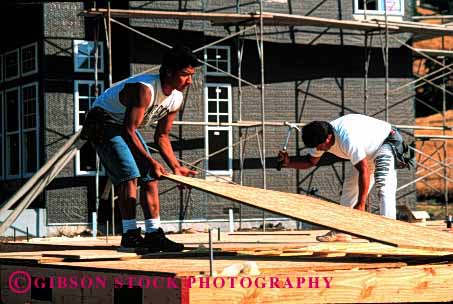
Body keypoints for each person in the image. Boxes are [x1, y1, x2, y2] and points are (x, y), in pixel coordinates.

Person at [82, 44, 200, 252]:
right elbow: (129, 130)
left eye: (191, 75)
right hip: (104, 123)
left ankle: (154, 234)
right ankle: (129, 236)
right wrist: (151, 160)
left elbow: (162, 136)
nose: (189, 81)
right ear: (169, 72)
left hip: (125, 126)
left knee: (150, 176)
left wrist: (175, 167)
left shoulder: (177, 98)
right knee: (129, 175)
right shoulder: (144, 89)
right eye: (184, 75)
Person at [278, 114, 412, 242]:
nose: (318, 149)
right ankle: (343, 230)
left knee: (383, 183)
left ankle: (389, 232)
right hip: (368, 151)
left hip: (386, 142)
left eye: (320, 146)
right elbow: (310, 161)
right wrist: (289, 162)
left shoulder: (347, 138)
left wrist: (361, 204)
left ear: (328, 138)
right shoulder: (321, 137)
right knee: (349, 187)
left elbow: (363, 170)